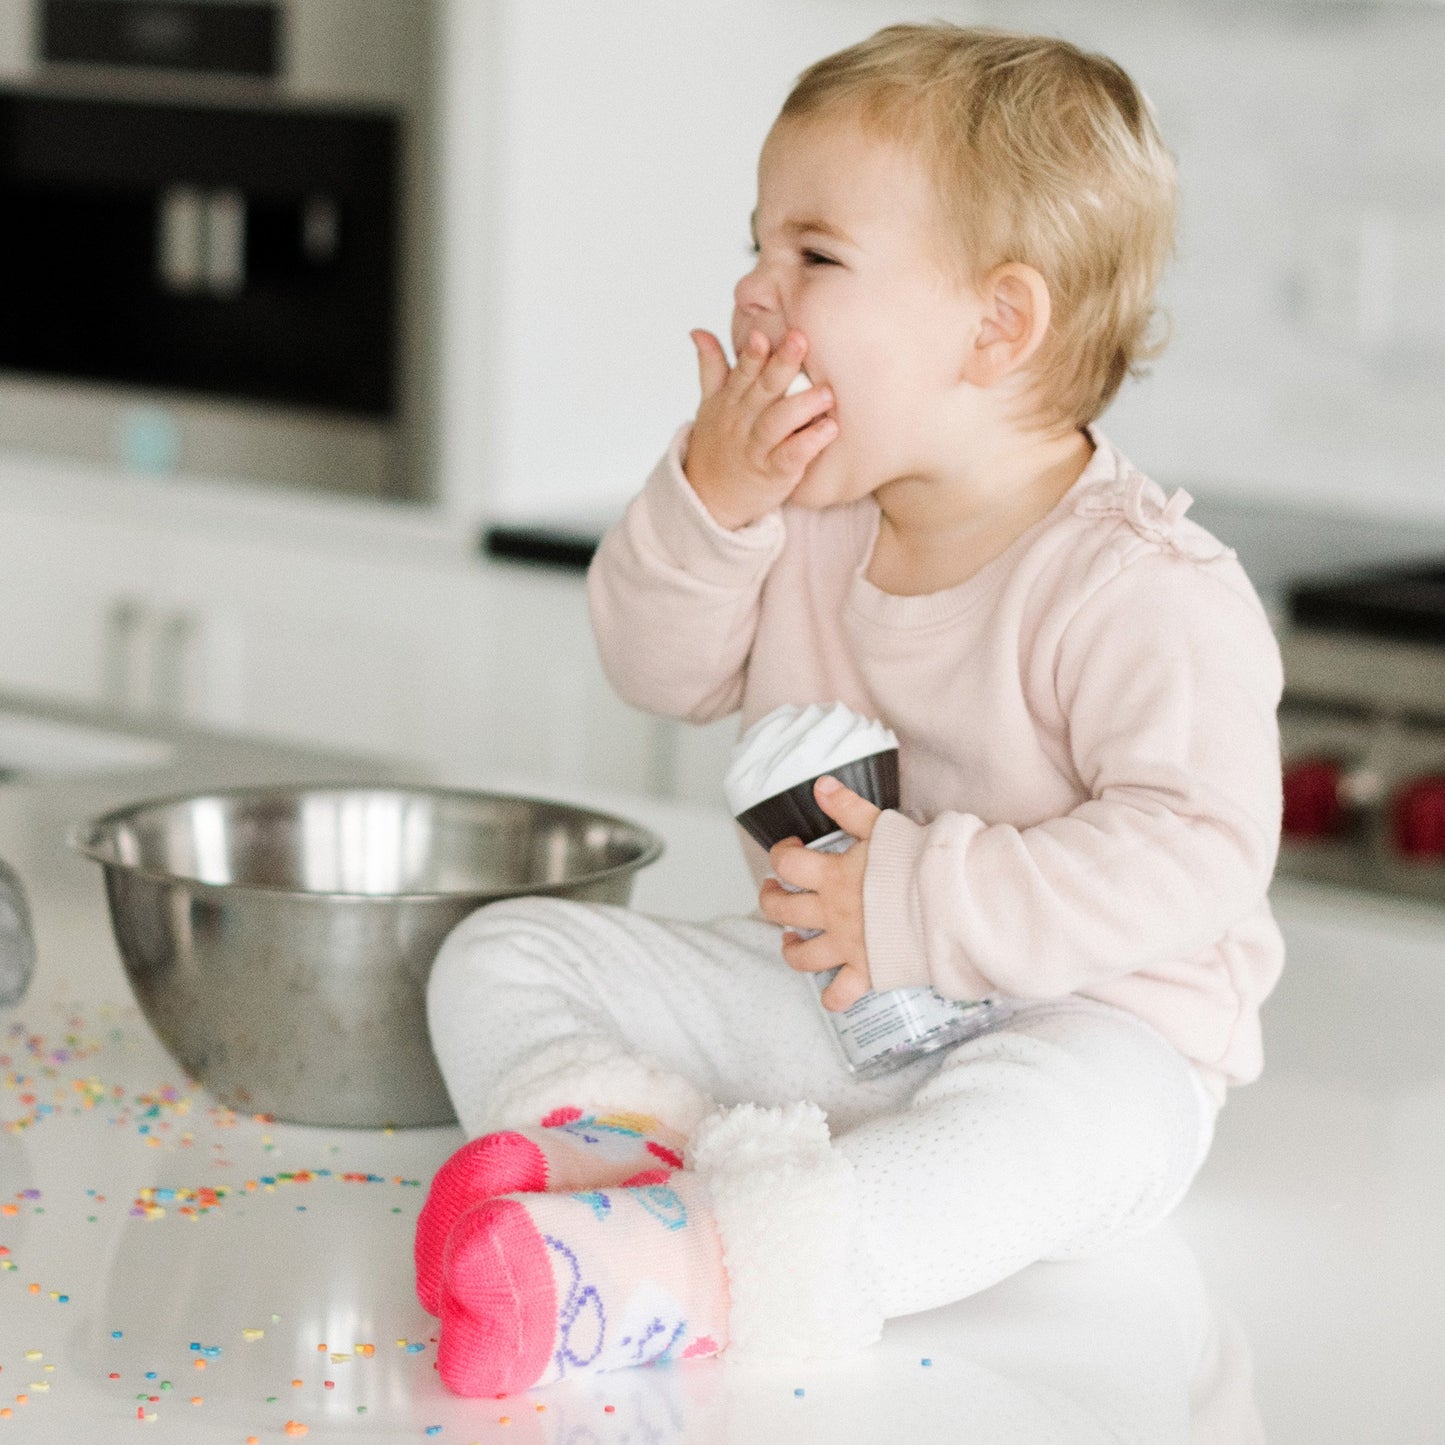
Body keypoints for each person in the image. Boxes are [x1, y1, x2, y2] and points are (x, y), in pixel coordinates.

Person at [417, 22, 1284, 1399]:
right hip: (834, 1010)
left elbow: (1197, 853)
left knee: (1031, 1141)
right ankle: (635, 1143)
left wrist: (923, 903)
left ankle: (700, 1267)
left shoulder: (1140, 585)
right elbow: (660, 667)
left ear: (997, 324)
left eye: (812, 256)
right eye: (756, 245)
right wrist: (712, 505)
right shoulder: (807, 512)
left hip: (1081, 1034)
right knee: (499, 951)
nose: (755, 293)